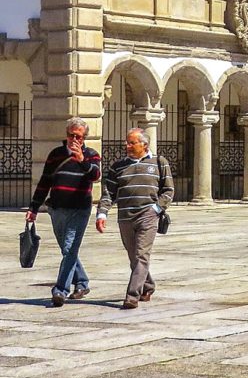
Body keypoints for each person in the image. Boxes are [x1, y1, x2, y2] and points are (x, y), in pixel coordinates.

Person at [27, 117, 102, 307]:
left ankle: (60, 290)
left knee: (69, 249)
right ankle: (82, 282)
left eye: (78, 136)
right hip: (57, 208)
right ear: (66, 135)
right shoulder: (56, 154)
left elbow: (95, 175)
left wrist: (82, 160)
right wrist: (34, 208)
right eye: (71, 135)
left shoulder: (91, 155)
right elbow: (45, 182)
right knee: (67, 250)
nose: (74, 139)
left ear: (84, 138)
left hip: (79, 209)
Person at [96, 128, 173, 309]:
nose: (127, 145)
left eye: (132, 143)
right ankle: (148, 285)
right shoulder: (118, 166)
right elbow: (109, 193)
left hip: (147, 216)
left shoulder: (159, 163)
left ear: (144, 145)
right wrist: (102, 213)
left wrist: (156, 209)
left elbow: (168, 190)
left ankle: (132, 296)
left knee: (141, 255)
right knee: (134, 256)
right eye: (127, 142)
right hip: (125, 217)